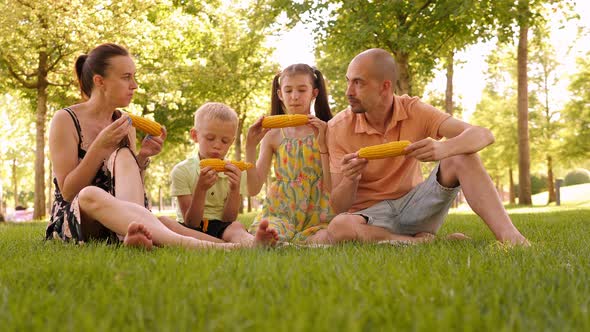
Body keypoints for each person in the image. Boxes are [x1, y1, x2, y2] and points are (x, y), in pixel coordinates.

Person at [46, 43, 275, 250]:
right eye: (126, 77)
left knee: (164, 221)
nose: (134, 85)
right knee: (89, 194)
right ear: (100, 81)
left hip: (123, 219)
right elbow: (68, 192)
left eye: (134, 77)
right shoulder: (65, 120)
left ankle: (245, 246)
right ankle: (205, 247)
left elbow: (130, 193)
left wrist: (142, 158)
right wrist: (99, 148)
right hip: (79, 216)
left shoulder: (125, 123)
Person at [318, 48, 529, 246]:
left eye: (358, 83)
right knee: (339, 226)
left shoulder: (413, 110)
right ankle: (416, 241)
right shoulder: (338, 127)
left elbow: (483, 134)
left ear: (385, 86)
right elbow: (339, 207)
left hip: (416, 207)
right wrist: (350, 179)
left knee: (463, 155)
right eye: (348, 82)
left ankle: (512, 239)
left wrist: (443, 148)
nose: (348, 92)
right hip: (370, 218)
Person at [245, 64, 335, 243]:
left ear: (314, 93)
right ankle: (279, 239)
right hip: (281, 211)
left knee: (327, 236)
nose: (294, 97)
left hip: (318, 213)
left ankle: (301, 242)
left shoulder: (328, 130)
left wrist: (323, 145)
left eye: (302, 90)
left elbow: (331, 187)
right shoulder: (273, 135)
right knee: (270, 232)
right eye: (288, 90)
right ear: (280, 94)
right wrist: (250, 147)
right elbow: (253, 189)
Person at [170, 102, 279, 246]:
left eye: (224, 141)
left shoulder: (235, 171)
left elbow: (228, 219)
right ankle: (225, 245)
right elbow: (191, 222)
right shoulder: (182, 171)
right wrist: (201, 189)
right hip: (189, 229)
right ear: (195, 135)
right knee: (165, 223)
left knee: (236, 227)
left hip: (221, 227)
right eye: (210, 138)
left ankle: (253, 242)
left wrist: (234, 189)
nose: (217, 145)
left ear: (232, 142)